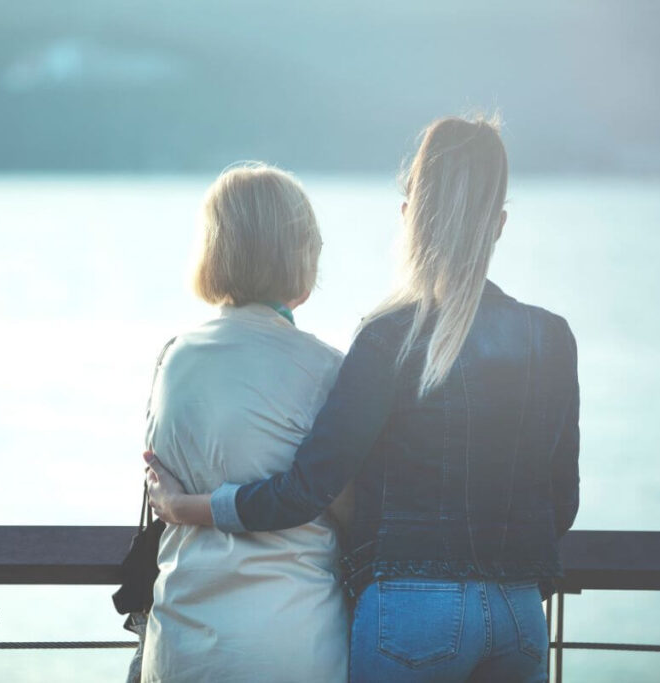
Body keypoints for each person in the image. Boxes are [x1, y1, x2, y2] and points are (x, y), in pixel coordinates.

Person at [145, 116, 580, 683]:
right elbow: (561, 504)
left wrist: (184, 508)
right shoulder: (551, 337)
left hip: (408, 617)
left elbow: (307, 489)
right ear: (498, 225)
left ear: (409, 218)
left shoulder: (385, 337)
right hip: (519, 616)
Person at [138, 162, 351, 682]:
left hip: (180, 642)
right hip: (291, 640)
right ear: (300, 252)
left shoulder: (173, 360)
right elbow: (351, 509)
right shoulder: (326, 370)